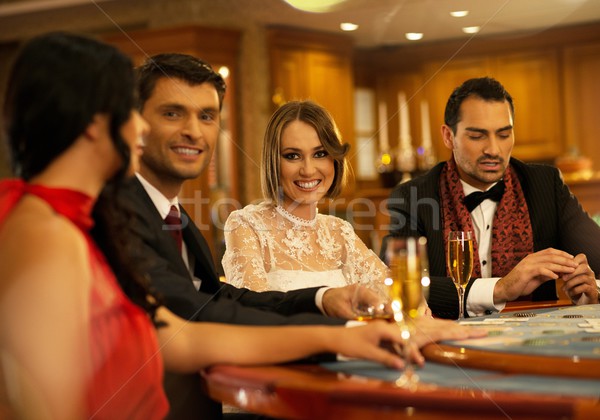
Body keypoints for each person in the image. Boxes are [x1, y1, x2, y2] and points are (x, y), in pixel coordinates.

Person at [0, 32, 486, 419]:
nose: (144, 130)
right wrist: (336, 336)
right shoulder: (49, 229)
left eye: (207, 115)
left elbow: (185, 328)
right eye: (146, 113)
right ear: (94, 121)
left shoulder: (121, 218)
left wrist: (333, 316)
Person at [385, 76, 600, 319]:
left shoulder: (545, 184)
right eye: (477, 136)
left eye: (504, 134)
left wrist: (590, 295)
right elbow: (398, 284)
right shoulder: (412, 197)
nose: (494, 150)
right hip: (449, 344)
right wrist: (501, 288)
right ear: (448, 136)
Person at [222, 100, 387, 292]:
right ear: (273, 162)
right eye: (293, 156)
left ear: (334, 159)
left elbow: (396, 295)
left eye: (320, 154)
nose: (308, 170)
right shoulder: (246, 225)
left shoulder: (340, 232)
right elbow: (255, 312)